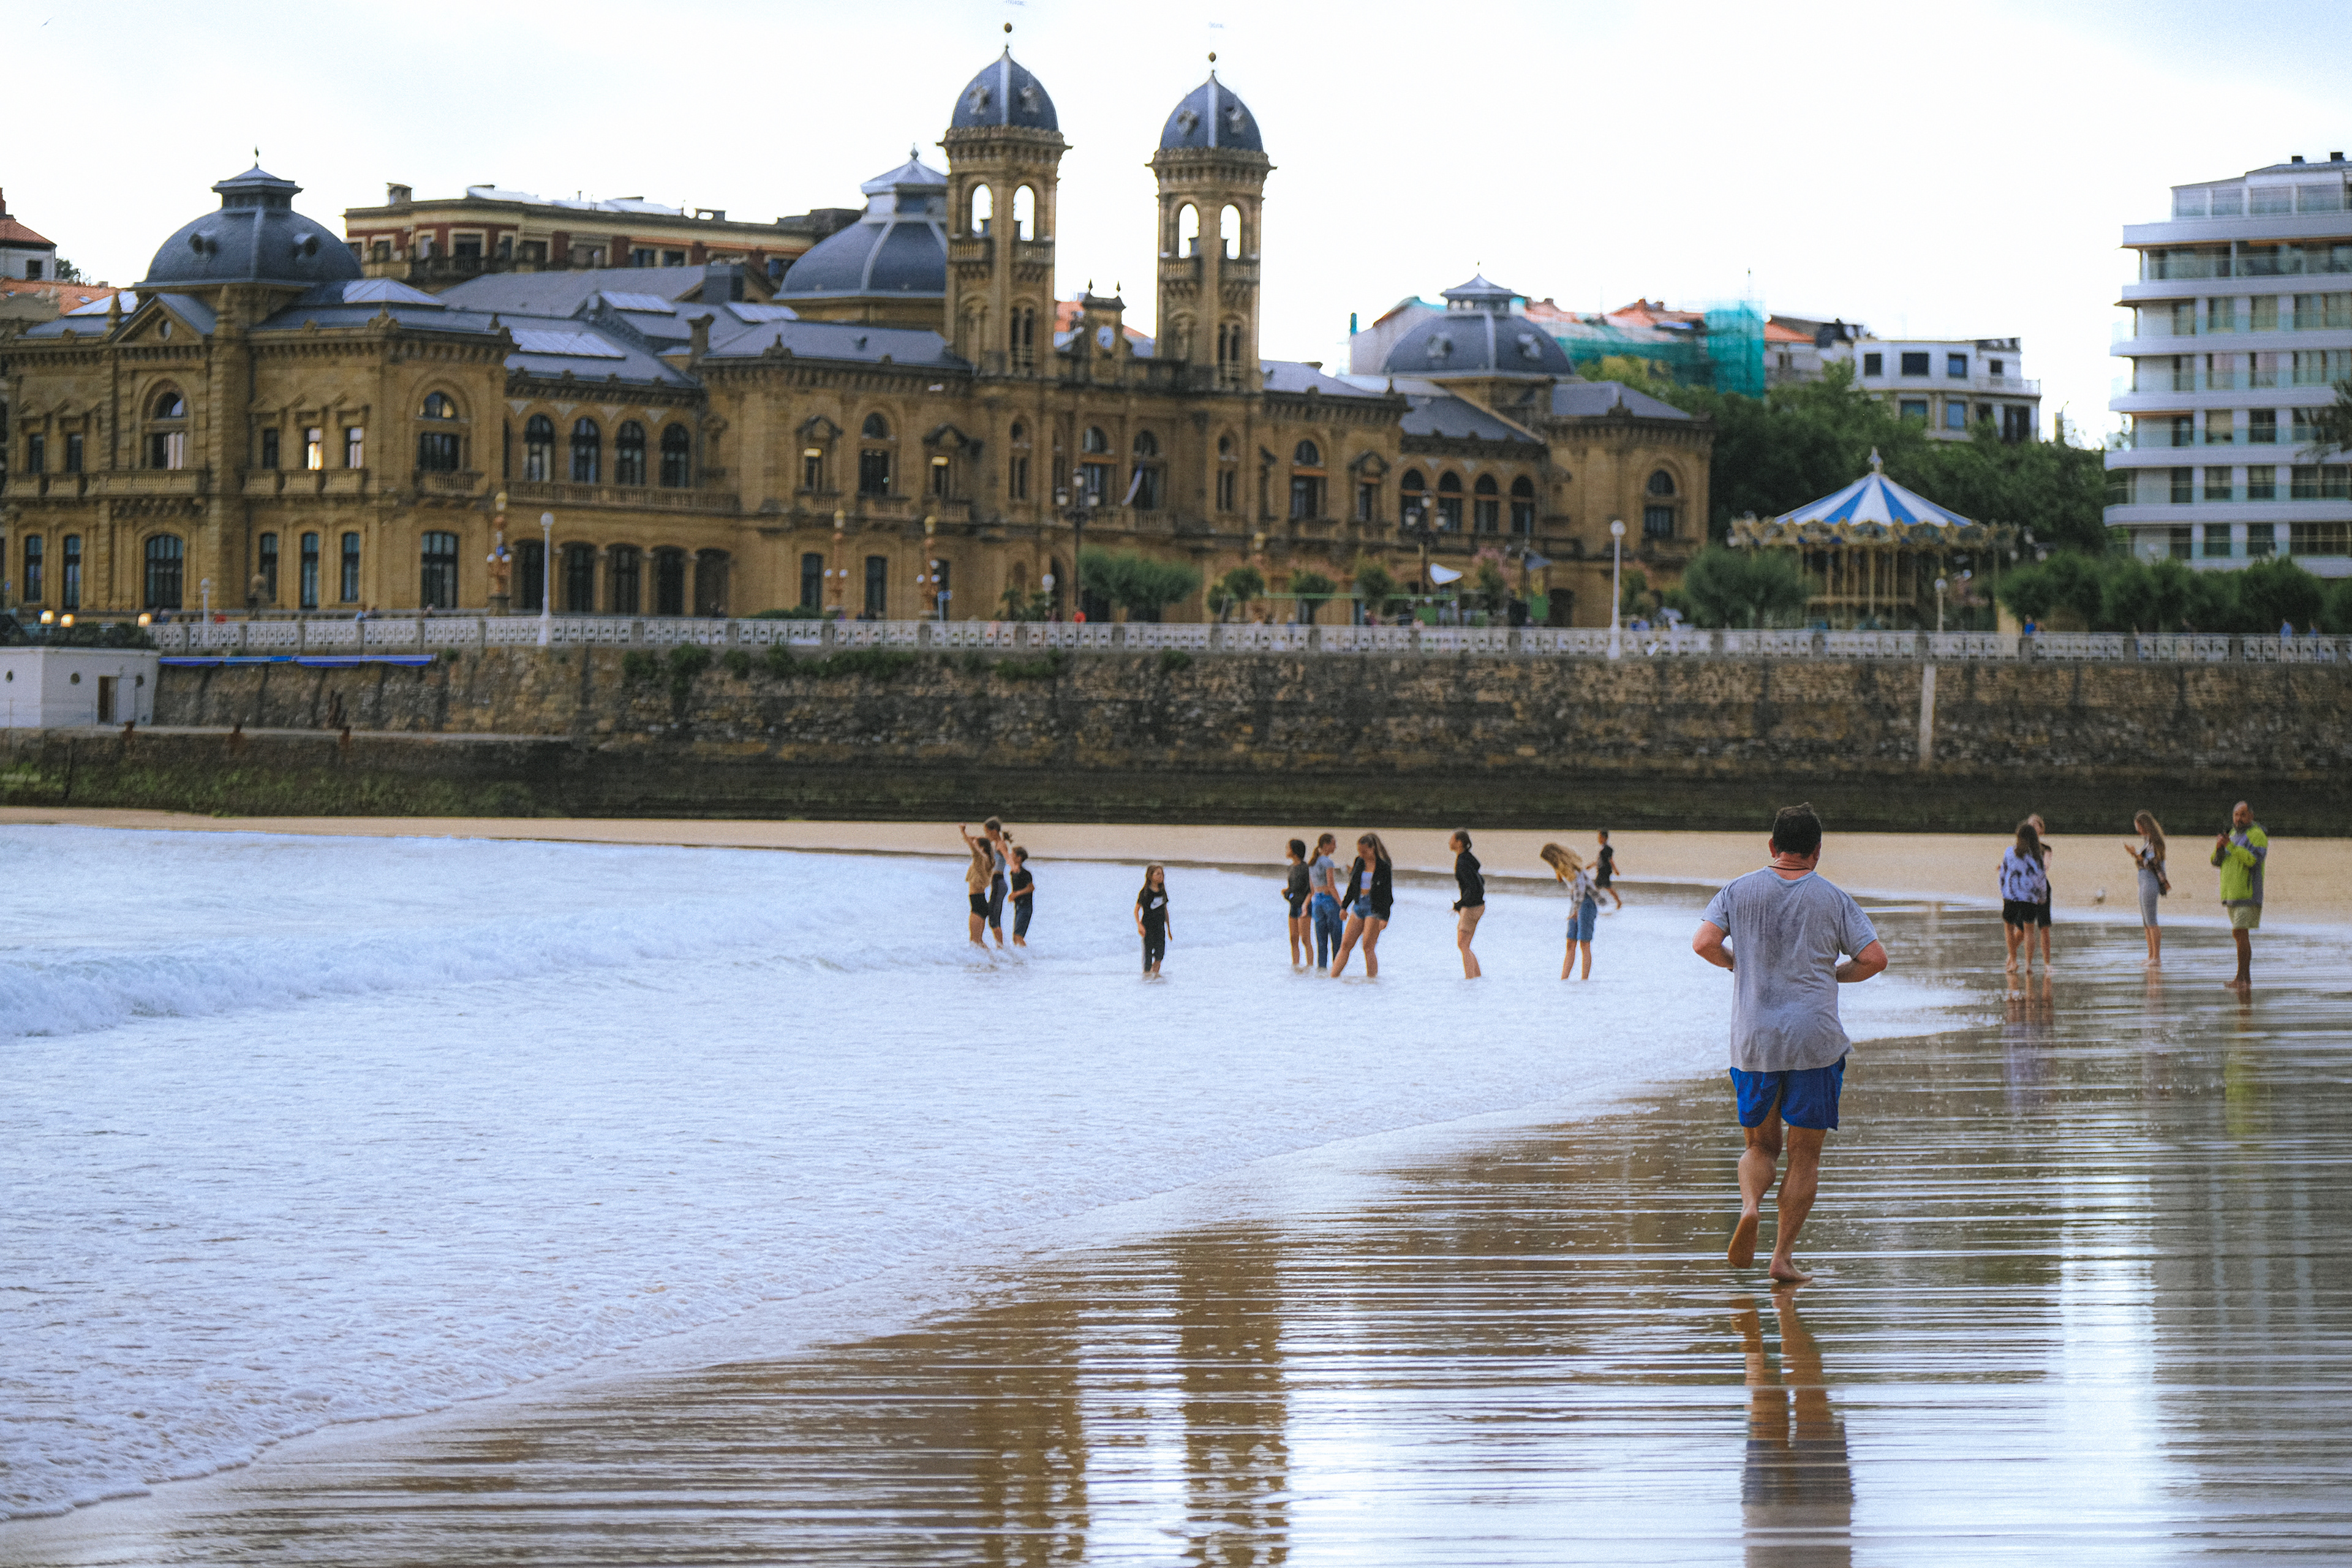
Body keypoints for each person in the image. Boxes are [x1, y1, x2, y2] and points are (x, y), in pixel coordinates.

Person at [1691, 803, 1888, 1283]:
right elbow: (1874, 958)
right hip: (1814, 1042)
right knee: (1805, 1155)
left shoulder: (1737, 891)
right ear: (1817, 851)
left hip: (1755, 1040)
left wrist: (1738, 964)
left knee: (1761, 1147)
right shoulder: (1833, 898)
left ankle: (1750, 1205)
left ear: (1772, 846)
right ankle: (1781, 1257)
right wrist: (1834, 975)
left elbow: (1703, 943)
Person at [2212, 799, 2267, 989]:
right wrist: (2220, 847)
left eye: (2243, 815)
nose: (2239, 819)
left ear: (2251, 816)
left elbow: (2253, 860)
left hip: (2248, 893)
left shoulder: (2257, 835)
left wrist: (2231, 847)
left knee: (2240, 933)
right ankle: (2244, 978)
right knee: (2239, 935)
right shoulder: (2232, 835)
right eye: (2236, 815)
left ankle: (2242, 978)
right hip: (2232, 894)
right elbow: (2216, 862)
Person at [1328, 833, 1393, 978]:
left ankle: (1372, 981)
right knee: (1346, 944)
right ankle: (1333, 978)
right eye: (1360, 851)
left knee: (1368, 946)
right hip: (1359, 905)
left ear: (1372, 849)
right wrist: (1344, 907)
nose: (1361, 854)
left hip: (1374, 908)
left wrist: (1385, 917)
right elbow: (1352, 887)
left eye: (1364, 851)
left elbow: (1387, 895)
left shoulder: (1383, 867)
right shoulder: (1359, 862)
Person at [1999, 821, 2049, 977]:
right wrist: (2042, 897)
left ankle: (2013, 961)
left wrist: (2003, 890)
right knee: (2029, 930)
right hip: (2029, 896)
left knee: (2009, 928)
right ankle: (2029, 965)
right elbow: (2041, 878)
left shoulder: (2009, 852)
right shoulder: (2037, 855)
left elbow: (2003, 873)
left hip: (2011, 895)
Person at [1543, 842, 1599, 979]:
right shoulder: (1563, 868)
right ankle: (1564, 979)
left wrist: (1576, 910)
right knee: (1570, 942)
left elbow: (1581, 889)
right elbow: (1561, 881)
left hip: (1586, 902)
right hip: (1576, 903)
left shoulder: (1574, 868)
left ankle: (1584, 980)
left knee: (1584, 943)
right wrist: (1557, 870)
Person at [2125, 810, 2167, 967]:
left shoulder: (2156, 843)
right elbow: (2144, 862)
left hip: (2151, 883)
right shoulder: (2148, 841)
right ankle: (2151, 955)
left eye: (2139, 827)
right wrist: (2136, 855)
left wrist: (2136, 855)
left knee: (2151, 920)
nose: (2138, 830)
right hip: (2144, 882)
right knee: (2146, 921)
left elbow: (2152, 864)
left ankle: (2156, 957)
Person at [1450, 829, 1485, 979]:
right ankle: (1477, 977)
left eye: (1452, 839)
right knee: (1465, 944)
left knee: (1463, 944)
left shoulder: (1463, 862)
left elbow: (1473, 886)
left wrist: (1460, 904)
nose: (1449, 842)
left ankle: (1470, 979)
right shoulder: (1468, 858)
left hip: (1472, 907)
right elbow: (1480, 881)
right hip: (1478, 905)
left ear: (1459, 843)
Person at [1309, 833, 1344, 970]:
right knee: (1336, 939)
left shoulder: (1312, 863)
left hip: (1317, 900)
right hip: (1328, 900)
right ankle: (1336, 970)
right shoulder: (1328, 863)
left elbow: (1312, 888)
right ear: (1326, 845)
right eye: (1333, 844)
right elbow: (1331, 886)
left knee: (1321, 941)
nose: (1335, 847)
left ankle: (1321, 970)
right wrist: (1341, 904)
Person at [956, 824, 995, 948]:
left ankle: (987, 959)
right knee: (979, 941)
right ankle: (991, 959)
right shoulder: (987, 859)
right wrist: (974, 838)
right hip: (980, 901)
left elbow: (973, 846)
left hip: (977, 903)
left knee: (975, 941)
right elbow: (975, 843)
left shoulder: (980, 858)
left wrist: (963, 832)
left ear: (981, 848)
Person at [2025, 813, 2055, 968]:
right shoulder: (2021, 848)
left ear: (2041, 829)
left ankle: (2047, 964)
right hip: (2025, 890)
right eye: (2031, 825)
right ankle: (2021, 961)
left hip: (2042, 888)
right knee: (2022, 929)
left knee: (2044, 927)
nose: (2034, 827)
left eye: (2036, 825)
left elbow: (2046, 866)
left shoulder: (2046, 849)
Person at [1135, 863, 1172, 976]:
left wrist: (1169, 929)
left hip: (1160, 926)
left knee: (1160, 954)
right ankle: (1147, 977)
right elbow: (1136, 910)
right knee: (1148, 954)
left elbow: (1165, 910)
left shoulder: (1162, 892)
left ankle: (1155, 975)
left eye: (1162, 874)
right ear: (1151, 876)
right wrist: (1140, 925)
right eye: (1158, 874)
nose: (1161, 876)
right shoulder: (1145, 892)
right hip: (1148, 926)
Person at [982, 817, 1011, 950]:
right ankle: (999, 948)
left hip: (999, 882)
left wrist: (1015, 868)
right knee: (992, 916)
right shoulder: (995, 844)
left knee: (994, 919)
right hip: (997, 883)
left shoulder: (1001, 845)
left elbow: (1007, 857)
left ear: (994, 831)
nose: (986, 835)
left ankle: (1001, 949)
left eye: (987, 832)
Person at [1283, 838, 1313, 967]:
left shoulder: (1306, 868)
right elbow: (1293, 887)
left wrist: (1305, 905)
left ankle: (1310, 966)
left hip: (1304, 905)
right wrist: (1287, 892)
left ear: (1295, 851)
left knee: (1305, 939)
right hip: (1294, 904)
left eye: (1288, 848)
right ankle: (1295, 966)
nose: (1286, 850)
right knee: (1293, 938)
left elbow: (1310, 890)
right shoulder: (1290, 868)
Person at [1009, 846, 1035, 948]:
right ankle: (1022, 955)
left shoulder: (1026, 874)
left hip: (1026, 907)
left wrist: (1016, 894)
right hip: (1018, 906)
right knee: (1016, 937)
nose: (1011, 856)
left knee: (1018, 936)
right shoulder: (1014, 872)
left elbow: (1031, 888)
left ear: (1019, 858)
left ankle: (1027, 954)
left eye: (1013, 855)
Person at [1596, 829, 1624, 912]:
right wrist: (1591, 865)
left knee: (1604, 887)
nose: (1599, 839)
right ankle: (1618, 902)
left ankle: (1618, 902)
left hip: (1605, 871)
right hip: (1602, 870)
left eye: (1600, 838)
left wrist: (1616, 870)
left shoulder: (1608, 849)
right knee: (1604, 887)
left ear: (1605, 838)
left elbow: (1610, 860)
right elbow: (1599, 860)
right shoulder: (1603, 848)